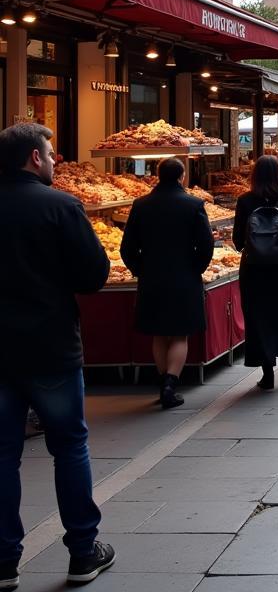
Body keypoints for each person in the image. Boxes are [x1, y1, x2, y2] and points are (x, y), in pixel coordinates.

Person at [0, 123, 115, 586]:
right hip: (51, 347)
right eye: (49, 153)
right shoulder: (61, 206)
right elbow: (93, 276)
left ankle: (4, 562)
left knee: (2, 456)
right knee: (68, 447)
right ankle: (83, 551)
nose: (54, 160)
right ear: (33, 158)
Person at [119, 157, 215, 409]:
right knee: (179, 333)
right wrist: (195, 269)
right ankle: (170, 384)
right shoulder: (194, 204)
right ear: (182, 176)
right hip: (184, 277)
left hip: (152, 277)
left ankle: (164, 382)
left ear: (157, 175)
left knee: (159, 333)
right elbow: (206, 245)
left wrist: (140, 269)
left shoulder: (141, 205)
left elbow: (127, 247)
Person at [234, 155, 278, 390]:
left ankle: (267, 373)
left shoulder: (244, 201)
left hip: (253, 270)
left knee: (258, 318)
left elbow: (237, 241)